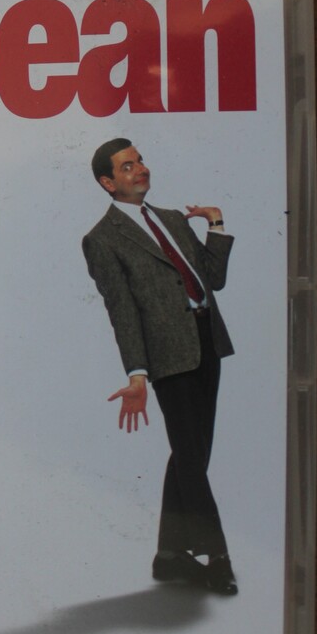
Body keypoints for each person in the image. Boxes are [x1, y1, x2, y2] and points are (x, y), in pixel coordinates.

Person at [82, 138, 238, 595]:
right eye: (128, 167)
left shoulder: (171, 219)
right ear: (108, 182)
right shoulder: (103, 239)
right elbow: (122, 311)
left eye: (140, 161)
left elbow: (214, 279)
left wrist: (216, 224)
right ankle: (217, 556)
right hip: (168, 356)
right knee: (191, 455)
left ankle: (168, 556)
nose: (141, 169)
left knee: (193, 453)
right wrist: (137, 374)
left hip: (207, 341)